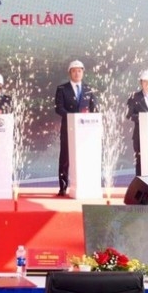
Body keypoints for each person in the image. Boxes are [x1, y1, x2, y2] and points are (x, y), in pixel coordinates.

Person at [54, 60, 98, 196]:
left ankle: (85, 184)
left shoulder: (89, 89)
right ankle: (63, 186)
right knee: (65, 157)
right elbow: (59, 108)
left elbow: (94, 108)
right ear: (70, 73)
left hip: (85, 129)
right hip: (68, 128)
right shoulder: (62, 89)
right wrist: (72, 118)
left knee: (84, 155)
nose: (77, 73)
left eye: (79, 71)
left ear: (83, 72)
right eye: (74, 71)